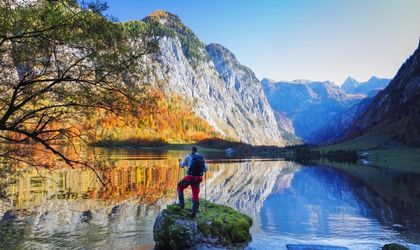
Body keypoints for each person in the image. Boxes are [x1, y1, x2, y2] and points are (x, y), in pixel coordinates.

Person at [177, 146, 208, 216]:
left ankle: (181, 204)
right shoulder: (201, 158)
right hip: (198, 178)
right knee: (195, 193)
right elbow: (206, 169)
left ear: (192, 150)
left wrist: (180, 161)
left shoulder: (188, 156)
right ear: (197, 151)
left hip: (190, 177)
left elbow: (182, 166)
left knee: (179, 186)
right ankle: (195, 209)